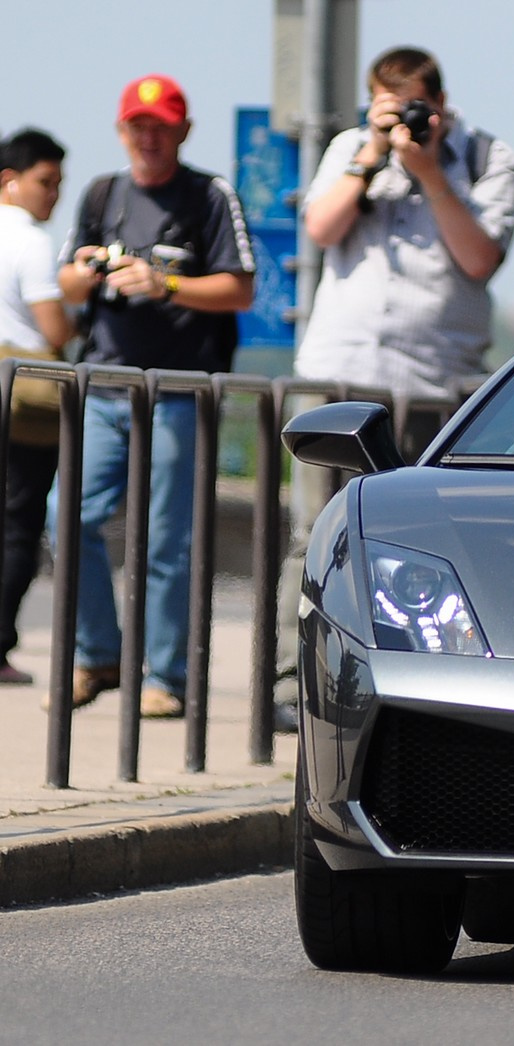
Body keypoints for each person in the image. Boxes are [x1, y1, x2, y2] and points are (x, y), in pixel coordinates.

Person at [277, 46, 514, 730]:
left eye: (417, 106)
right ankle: (292, 686)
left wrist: (430, 171)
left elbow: (479, 257)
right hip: (338, 371)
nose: (408, 119)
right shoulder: (355, 146)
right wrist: (371, 157)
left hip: (432, 381)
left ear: (439, 104)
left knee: (426, 545)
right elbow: (320, 229)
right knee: (315, 536)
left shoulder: (484, 158)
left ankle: (420, 693)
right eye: (392, 107)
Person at [51, 74, 255, 717]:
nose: (149, 137)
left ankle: (167, 677)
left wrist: (163, 282)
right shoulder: (102, 193)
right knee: (69, 517)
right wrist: (87, 273)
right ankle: (99, 655)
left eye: (161, 126)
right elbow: (65, 284)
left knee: (166, 538)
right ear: (121, 131)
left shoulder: (210, 196)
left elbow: (240, 288)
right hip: (105, 385)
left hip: (179, 391)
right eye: (138, 126)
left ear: (183, 132)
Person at [0, 128, 71, 685]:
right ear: (11, 181)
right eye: (45, 182)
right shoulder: (30, 240)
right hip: (23, 400)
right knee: (19, 525)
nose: (53, 195)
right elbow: (53, 328)